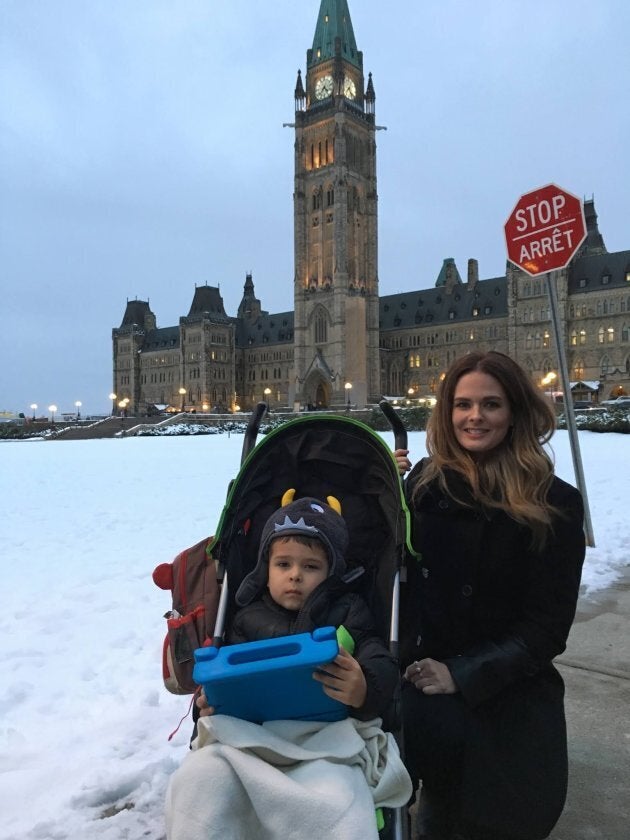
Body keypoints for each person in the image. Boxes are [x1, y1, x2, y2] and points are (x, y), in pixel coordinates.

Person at [394, 351, 585, 840]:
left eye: (490, 404)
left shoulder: (555, 502)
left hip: (509, 684)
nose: (474, 416)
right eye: (462, 405)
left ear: (515, 411)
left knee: (506, 814)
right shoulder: (422, 486)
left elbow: (547, 627)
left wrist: (462, 673)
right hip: (426, 686)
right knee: (438, 803)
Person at [166, 494, 412, 840]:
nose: (295, 576)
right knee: (202, 778)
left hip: (324, 746)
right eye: (283, 565)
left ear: (332, 573)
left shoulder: (348, 614)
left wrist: (364, 687)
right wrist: (207, 705)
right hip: (251, 739)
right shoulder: (247, 621)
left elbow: (381, 664)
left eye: (310, 567)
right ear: (264, 570)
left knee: (340, 798)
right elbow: (223, 679)